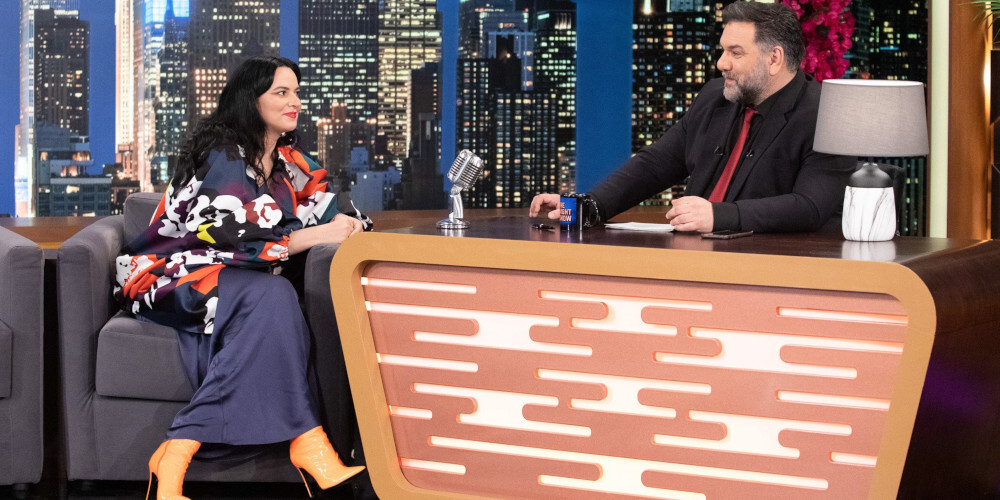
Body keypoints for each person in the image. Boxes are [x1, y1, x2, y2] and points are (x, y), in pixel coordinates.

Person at [115, 56, 366, 500]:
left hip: (240, 278)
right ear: (252, 101)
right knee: (274, 297)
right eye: (281, 93)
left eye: (297, 92)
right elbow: (226, 235)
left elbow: (331, 206)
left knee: (274, 297)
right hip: (174, 272)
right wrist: (314, 235)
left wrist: (349, 225)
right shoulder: (224, 154)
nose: (294, 102)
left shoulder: (289, 161)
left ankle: (175, 455)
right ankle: (309, 444)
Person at [530, 1, 856, 233]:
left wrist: (720, 216)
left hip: (777, 272)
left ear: (774, 58)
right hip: (696, 260)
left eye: (735, 52)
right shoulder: (716, 97)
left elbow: (809, 207)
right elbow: (656, 163)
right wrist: (589, 206)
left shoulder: (826, 114)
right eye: (723, 50)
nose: (721, 63)